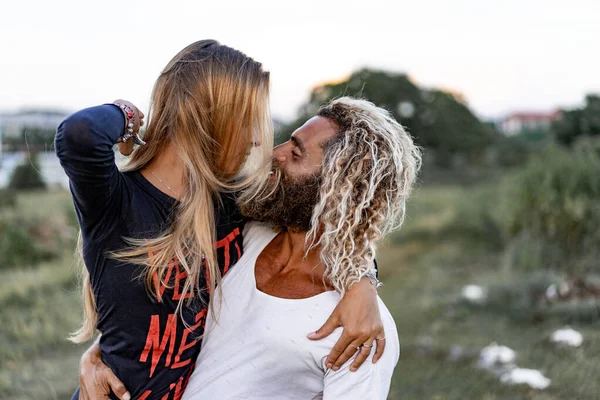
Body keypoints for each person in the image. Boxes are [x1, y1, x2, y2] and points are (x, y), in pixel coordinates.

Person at [56, 39, 385, 400]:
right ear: (214, 117)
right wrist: (129, 113)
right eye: (248, 120)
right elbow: (79, 135)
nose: (258, 137)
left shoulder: (232, 203)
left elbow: (331, 222)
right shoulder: (117, 201)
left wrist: (363, 283)